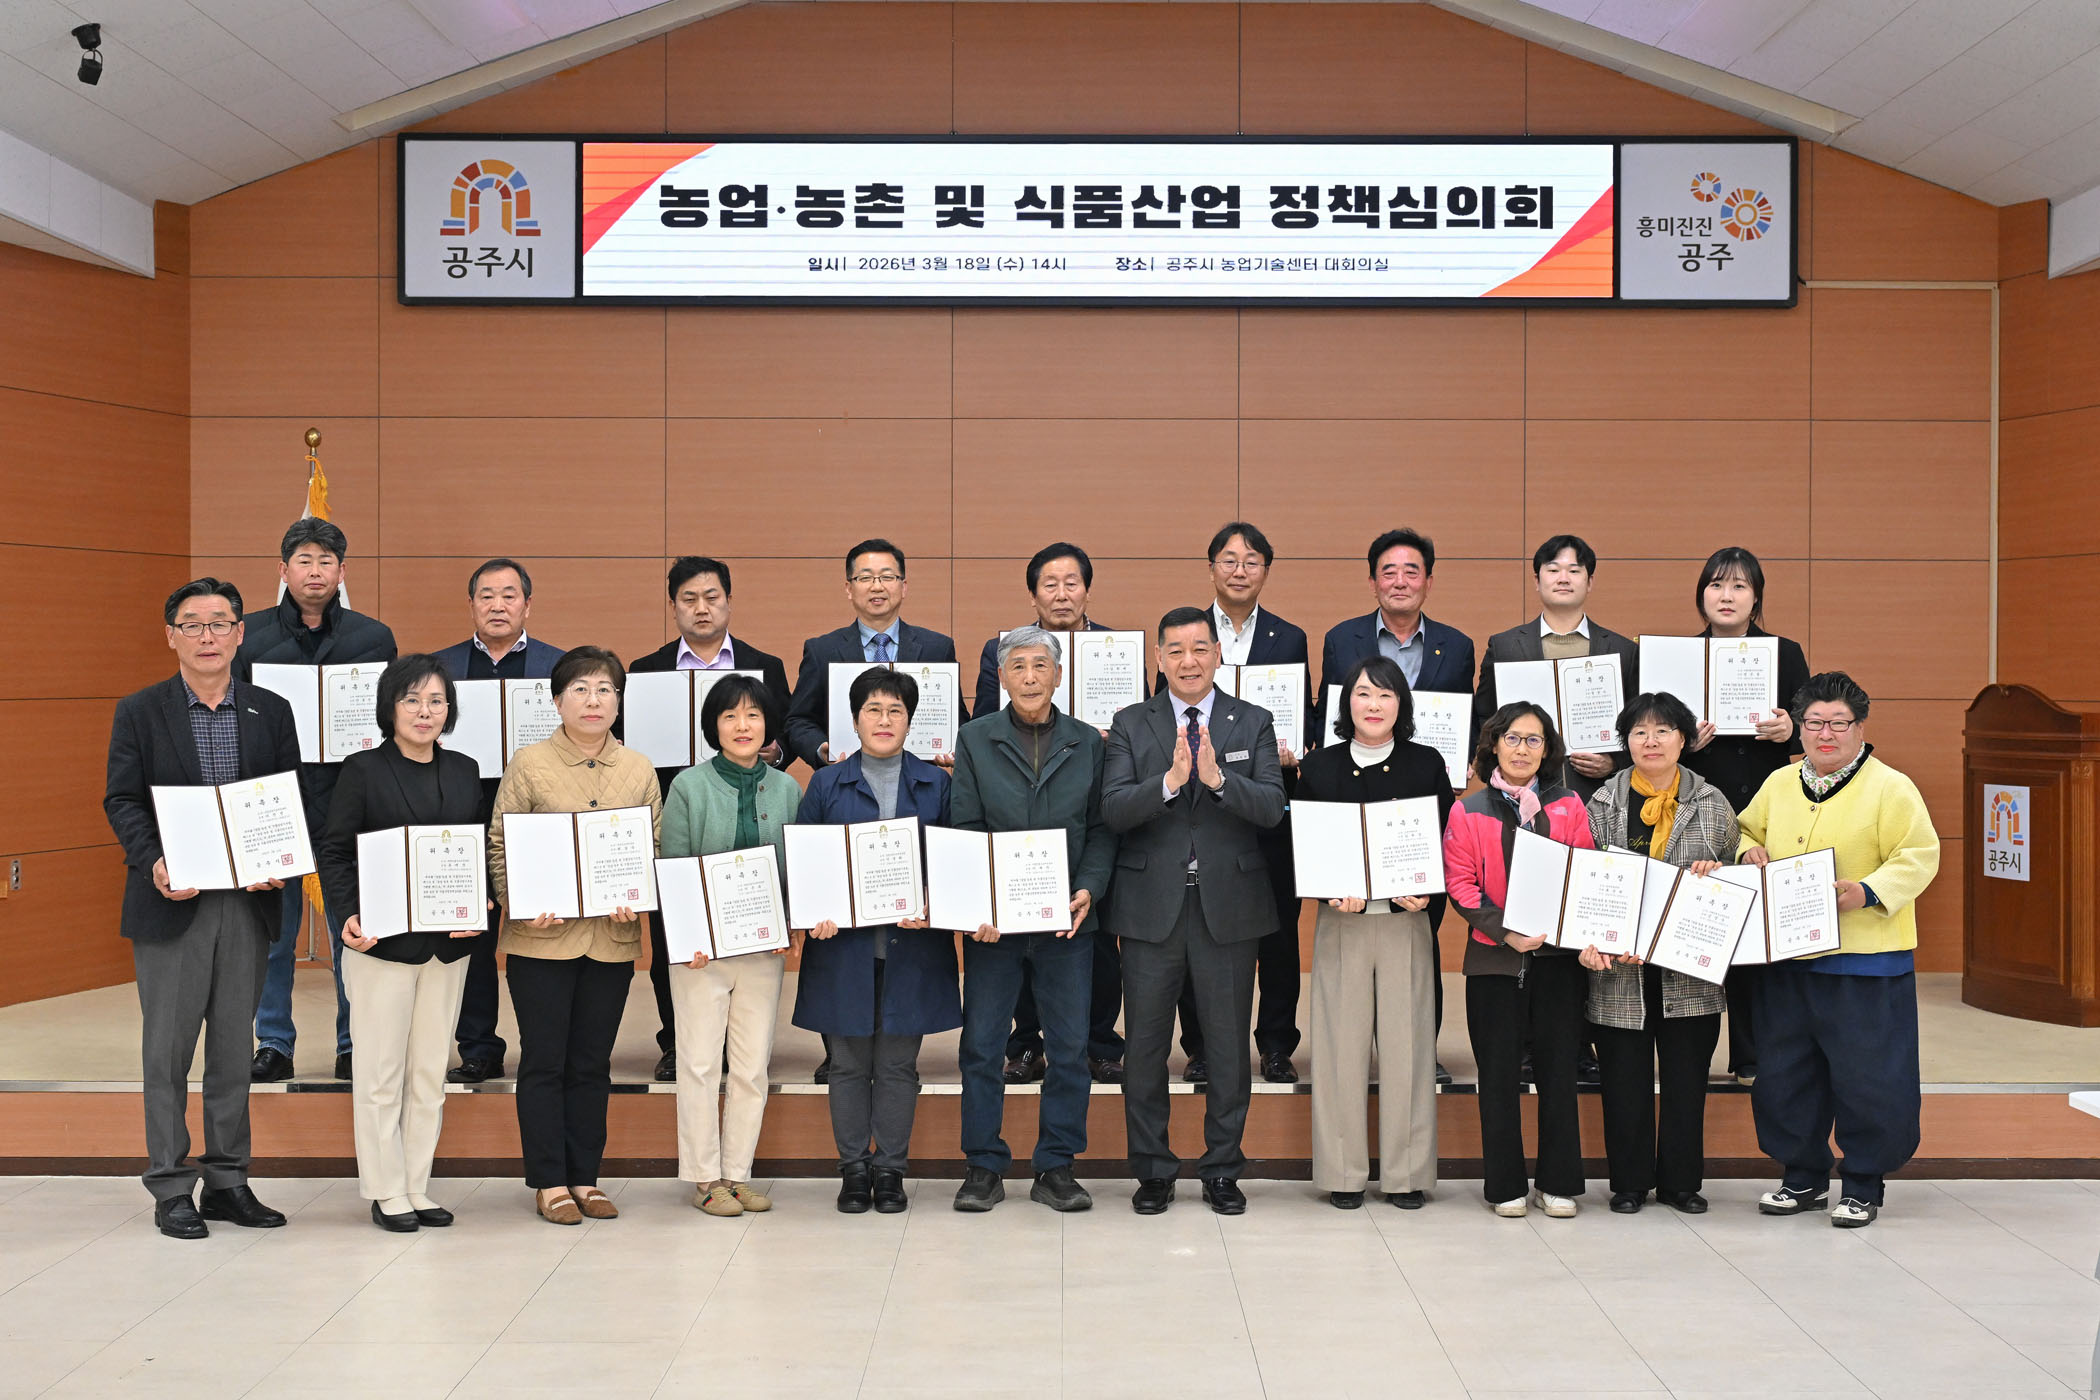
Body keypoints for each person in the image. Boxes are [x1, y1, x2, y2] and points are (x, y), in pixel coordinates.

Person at [103, 579, 299, 1239]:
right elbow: (122, 800)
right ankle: (169, 1184)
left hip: (247, 904)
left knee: (232, 1051)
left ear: (241, 633)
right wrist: (155, 862)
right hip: (172, 903)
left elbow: (287, 798)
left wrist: (279, 860)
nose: (207, 636)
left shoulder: (271, 710)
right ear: (172, 636)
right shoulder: (140, 710)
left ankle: (227, 1180)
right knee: (167, 1050)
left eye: (220, 623)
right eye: (193, 624)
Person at [1738, 672, 1940, 1228]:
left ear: (1859, 728)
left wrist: (1867, 892)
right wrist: (1749, 851)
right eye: (1815, 722)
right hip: (1788, 958)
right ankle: (1801, 1177)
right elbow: (1745, 830)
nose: (1825, 734)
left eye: (1838, 723)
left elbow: (1919, 855)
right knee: (1787, 1074)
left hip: (1865, 963)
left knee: (1869, 1077)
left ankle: (1862, 1184)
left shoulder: (1891, 787)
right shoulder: (1780, 782)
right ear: (1799, 728)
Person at [1104, 607, 1287, 1216]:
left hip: (1227, 909)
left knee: (1228, 1049)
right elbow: (1114, 810)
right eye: (1176, 651)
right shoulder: (1130, 723)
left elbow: (1272, 807)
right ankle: (1153, 1170)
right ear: (1159, 658)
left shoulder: (1253, 720)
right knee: (1145, 1048)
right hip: (1150, 908)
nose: (1189, 661)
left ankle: (1222, 1170)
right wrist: (1168, 782)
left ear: (1218, 655)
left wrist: (1216, 780)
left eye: (1200, 649)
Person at [487, 646, 661, 1225]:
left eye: (605, 689)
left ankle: (586, 1176)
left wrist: (637, 894)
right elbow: (500, 842)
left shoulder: (638, 767)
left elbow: (653, 846)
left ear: (619, 702)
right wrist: (520, 902)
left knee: (591, 1062)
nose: (594, 700)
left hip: (610, 941)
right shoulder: (530, 763)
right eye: (581, 689)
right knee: (543, 1061)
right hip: (541, 940)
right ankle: (548, 1181)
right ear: (558, 701)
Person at [949, 627, 1118, 1213]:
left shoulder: (1088, 742)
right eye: (1017, 665)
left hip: (1066, 922)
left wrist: (1089, 887)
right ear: (1001, 676)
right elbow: (966, 825)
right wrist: (982, 902)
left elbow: (1101, 829)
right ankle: (982, 1166)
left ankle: (1057, 1166)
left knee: (1069, 1048)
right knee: (982, 1046)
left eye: (1040, 665)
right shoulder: (975, 739)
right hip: (995, 928)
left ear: (1058, 675)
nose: (1028, 676)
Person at [317, 655, 486, 1232]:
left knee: (430, 1074)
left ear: (449, 710)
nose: (424, 711)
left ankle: (417, 1184)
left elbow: (474, 849)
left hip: (446, 949)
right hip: (380, 946)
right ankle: (385, 1189)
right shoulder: (362, 770)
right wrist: (347, 914)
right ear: (389, 707)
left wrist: (482, 903)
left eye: (436, 701)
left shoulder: (465, 769)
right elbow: (335, 851)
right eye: (411, 699)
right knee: (380, 1073)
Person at [1316, 526, 1478, 1084]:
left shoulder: (1457, 645)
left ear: (1429, 581)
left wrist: (1463, 762)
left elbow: (1467, 715)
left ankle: (1417, 1051)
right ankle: (1352, 1059)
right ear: (1372, 581)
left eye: (1412, 571)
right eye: (1389, 571)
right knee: (1353, 943)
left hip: (1420, 798)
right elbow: (1326, 711)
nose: (1401, 580)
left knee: (1417, 936)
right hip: (1351, 789)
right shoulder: (1341, 639)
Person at [795, 669, 957, 1214]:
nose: (884, 720)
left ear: (910, 721)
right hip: (843, 950)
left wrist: (934, 900)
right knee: (846, 1066)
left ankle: (890, 1170)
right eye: (873, 710)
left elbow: (952, 862)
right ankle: (853, 1170)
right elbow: (806, 864)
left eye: (895, 711)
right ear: (855, 719)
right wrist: (814, 913)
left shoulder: (937, 783)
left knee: (897, 1067)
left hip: (912, 949)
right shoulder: (825, 783)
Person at [241, 519, 397, 1085]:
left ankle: (353, 1043)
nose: (315, 571)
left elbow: (390, 721)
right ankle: (273, 1042)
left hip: (348, 800)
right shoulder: (251, 637)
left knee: (351, 928)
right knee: (274, 936)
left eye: (326, 561)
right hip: (274, 803)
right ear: (283, 570)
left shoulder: (373, 638)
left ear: (342, 571)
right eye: (304, 561)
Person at [628, 555, 793, 1083]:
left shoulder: (764, 664)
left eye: (712, 597)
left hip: (750, 806)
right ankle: (676, 1040)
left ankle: (743, 1045)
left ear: (728, 601)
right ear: (673, 606)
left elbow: (785, 734)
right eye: (689, 599)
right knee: (675, 933)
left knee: (750, 936)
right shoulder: (645, 670)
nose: (702, 608)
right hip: (680, 810)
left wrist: (774, 752)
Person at [1298, 656, 1453, 1210]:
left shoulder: (1426, 763)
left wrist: (1428, 894)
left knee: (1408, 1048)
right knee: (1339, 1048)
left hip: (1405, 923)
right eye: (1363, 693)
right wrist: (1326, 891)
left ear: (1401, 704)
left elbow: (1446, 840)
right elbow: (1305, 846)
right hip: (1343, 922)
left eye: (1386, 695)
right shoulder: (1319, 768)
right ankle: (1342, 1172)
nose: (1374, 704)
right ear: (1347, 702)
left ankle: (1406, 1174)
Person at [973, 544, 1127, 1087]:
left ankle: (1099, 1043)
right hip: (1017, 807)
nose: (1061, 593)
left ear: (1087, 589)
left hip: (1088, 802)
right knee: (1018, 937)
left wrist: (1117, 741)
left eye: (1071, 583)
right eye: (1049, 584)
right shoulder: (1006, 651)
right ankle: (1024, 1044)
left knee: (1093, 940)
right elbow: (983, 726)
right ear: (1033, 594)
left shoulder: (1117, 651)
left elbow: (1141, 723)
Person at [1579, 691, 1737, 1216]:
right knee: (1623, 1082)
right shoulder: (1601, 802)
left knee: (1687, 1083)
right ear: (1625, 742)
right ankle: (1628, 1183)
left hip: (1689, 972)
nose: (1651, 741)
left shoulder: (1712, 803)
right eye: (1640, 732)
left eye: (1664, 731)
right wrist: (1596, 940)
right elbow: (1585, 879)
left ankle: (1681, 1183)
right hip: (1618, 969)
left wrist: (1719, 874)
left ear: (1684, 740)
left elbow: (1736, 875)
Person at [1175, 521, 1312, 1089]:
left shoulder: (1290, 637)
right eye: (1229, 560)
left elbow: (1302, 713)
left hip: (1265, 803)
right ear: (1211, 568)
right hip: (1199, 810)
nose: (1239, 570)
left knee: (1278, 934)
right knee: (1198, 929)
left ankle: (1276, 1045)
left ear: (1265, 571)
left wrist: (1293, 752)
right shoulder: (1187, 633)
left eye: (1251, 560)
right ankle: (1202, 1048)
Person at [1443, 701, 1594, 1218]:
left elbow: (1582, 873)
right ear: (1494, 744)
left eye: (1534, 740)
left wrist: (1557, 932)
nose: (1522, 749)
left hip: (1558, 962)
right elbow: (1460, 885)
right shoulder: (1469, 809)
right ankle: (1505, 1184)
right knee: (1498, 1075)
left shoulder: (1569, 805)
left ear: (1547, 750)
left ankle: (1558, 1183)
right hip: (1493, 962)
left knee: (1559, 1072)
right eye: (1512, 738)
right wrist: (1507, 933)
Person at [659, 674, 799, 1217]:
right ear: (712, 726)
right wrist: (687, 937)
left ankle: (738, 1175)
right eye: (730, 716)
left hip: (763, 952)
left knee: (750, 1067)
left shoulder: (787, 789)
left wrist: (791, 924)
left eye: (753, 716)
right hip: (700, 954)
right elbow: (673, 868)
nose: (743, 726)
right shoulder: (688, 786)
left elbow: (794, 872)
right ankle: (704, 1178)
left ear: (768, 726)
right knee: (698, 1064)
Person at [1678, 546, 1811, 1088]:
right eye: (1716, 585)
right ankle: (1689, 1057)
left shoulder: (1785, 653)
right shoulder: (1678, 656)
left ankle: (1753, 1056)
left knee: (1758, 933)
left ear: (1756, 598)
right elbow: (1651, 734)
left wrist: (1791, 731)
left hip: (1764, 808)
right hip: (1697, 808)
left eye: (1738, 586)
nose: (1726, 595)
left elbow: (1812, 728)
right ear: (1701, 595)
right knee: (1701, 927)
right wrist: (1685, 742)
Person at [431, 558, 565, 1086]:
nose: (498, 605)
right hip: (463, 815)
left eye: (509, 595)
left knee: (545, 930)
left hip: (540, 817)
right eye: (486, 595)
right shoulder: (440, 668)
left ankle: (547, 1049)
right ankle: (479, 1047)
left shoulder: (559, 665)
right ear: (471, 605)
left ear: (527, 604)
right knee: (473, 934)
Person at [1471, 534, 1636, 801]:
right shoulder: (1504, 647)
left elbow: (1640, 724)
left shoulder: (1622, 650)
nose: (1563, 579)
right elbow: (1484, 717)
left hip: (1599, 796)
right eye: (1553, 570)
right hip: (1520, 794)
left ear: (1589, 582)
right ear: (1537, 581)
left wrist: (1615, 763)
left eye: (1574, 571)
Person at [784, 537, 966, 770]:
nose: (877, 587)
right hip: (846, 777)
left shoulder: (937, 647)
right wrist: (821, 750)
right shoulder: (822, 650)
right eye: (865, 578)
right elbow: (799, 720)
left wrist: (952, 747)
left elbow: (958, 719)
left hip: (919, 777)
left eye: (887, 577)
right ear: (849, 588)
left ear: (904, 587)